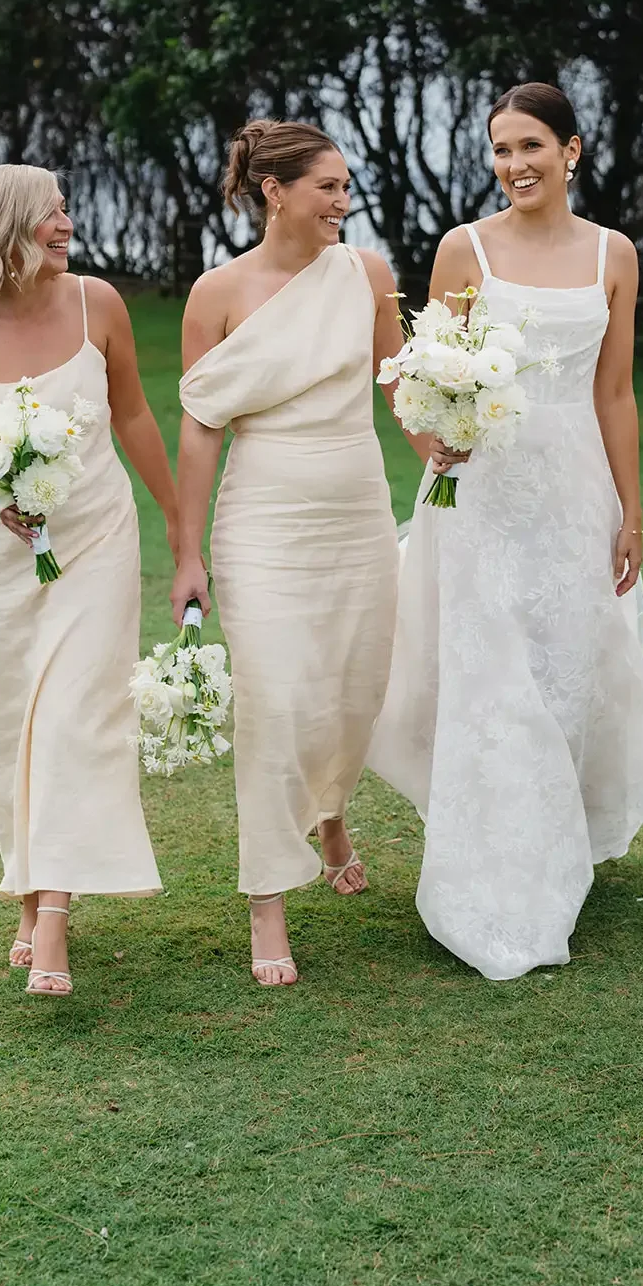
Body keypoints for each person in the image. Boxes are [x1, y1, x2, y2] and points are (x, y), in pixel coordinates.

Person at [369, 82, 643, 980]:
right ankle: (483, 881)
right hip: (480, 494)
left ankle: (552, 856)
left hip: (574, 495)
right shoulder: (466, 249)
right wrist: (433, 444)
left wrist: (631, 509)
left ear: (571, 150)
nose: (514, 164)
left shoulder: (615, 254)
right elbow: (417, 374)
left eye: (530, 145)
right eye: (500, 149)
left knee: (563, 678)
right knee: (487, 680)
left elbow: (614, 391)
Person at [0, 164, 177, 996]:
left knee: (74, 720)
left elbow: (133, 413)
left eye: (66, 209)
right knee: (5, 726)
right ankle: (29, 885)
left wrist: (178, 524)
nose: (66, 223)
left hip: (96, 538)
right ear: (5, 226)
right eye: (49, 213)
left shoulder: (100, 304)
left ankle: (54, 916)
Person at [172, 119, 403, 987]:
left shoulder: (366, 274)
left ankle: (332, 813)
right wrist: (187, 552)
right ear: (275, 192)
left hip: (357, 518)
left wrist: (446, 442)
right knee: (276, 700)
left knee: (350, 691)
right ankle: (268, 901)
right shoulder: (215, 293)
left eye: (346, 188)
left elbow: (401, 389)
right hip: (263, 521)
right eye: (328, 188)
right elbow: (199, 430)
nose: (344, 202)